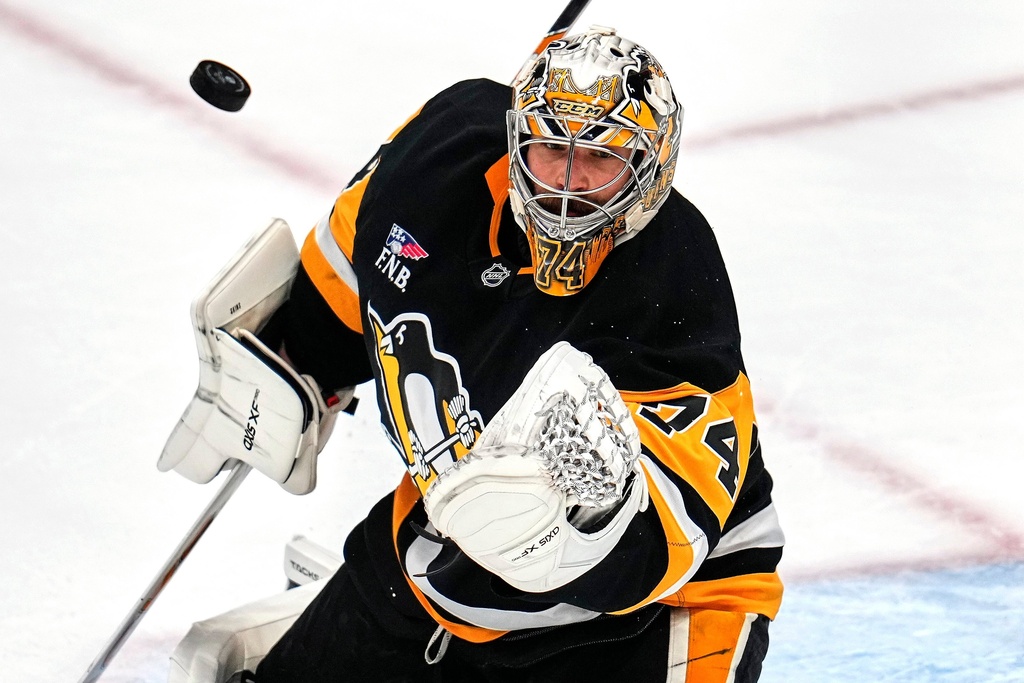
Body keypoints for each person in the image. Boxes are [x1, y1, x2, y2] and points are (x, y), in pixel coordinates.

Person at [169, 26, 784, 682]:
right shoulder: (440, 158)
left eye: (601, 161)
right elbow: (349, 275)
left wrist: (576, 528)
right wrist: (294, 362)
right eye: (552, 148)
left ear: (651, 169)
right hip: (450, 547)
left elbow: (671, 535)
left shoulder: (671, 277)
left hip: (654, 613)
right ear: (516, 135)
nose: (568, 186)